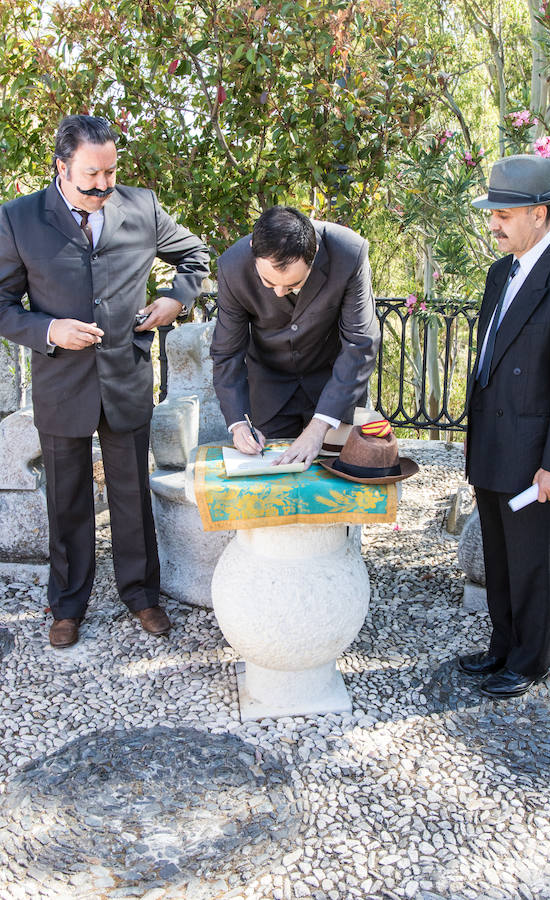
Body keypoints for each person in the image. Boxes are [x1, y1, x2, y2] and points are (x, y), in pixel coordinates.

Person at [0, 114, 210, 648]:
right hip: (60, 384)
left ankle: (142, 596)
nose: (102, 185)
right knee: (66, 500)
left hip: (126, 378)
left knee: (131, 495)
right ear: (61, 167)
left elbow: (195, 255)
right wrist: (48, 328)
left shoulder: (142, 206)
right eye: (91, 175)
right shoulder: (18, 219)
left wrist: (174, 300)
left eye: (110, 173)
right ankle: (67, 606)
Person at [461, 154, 550, 698]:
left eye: (504, 214)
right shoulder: (501, 272)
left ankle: (530, 660)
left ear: (539, 214)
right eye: (492, 212)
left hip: (536, 449)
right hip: (493, 442)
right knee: (498, 555)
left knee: (533, 563)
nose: (493, 223)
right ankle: (501, 646)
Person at [210, 206, 380, 468]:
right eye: (268, 282)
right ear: (254, 248)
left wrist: (318, 427)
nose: (278, 292)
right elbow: (227, 351)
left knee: (335, 488)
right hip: (269, 389)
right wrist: (239, 423)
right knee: (272, 488)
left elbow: (361, 344)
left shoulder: (349, 254)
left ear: (314, 258)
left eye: (292, 285)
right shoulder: (233, 266)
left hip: (333, 387)